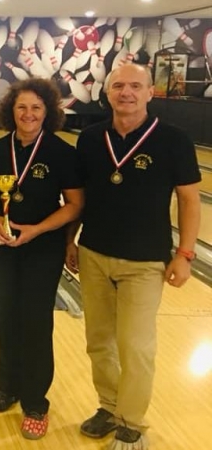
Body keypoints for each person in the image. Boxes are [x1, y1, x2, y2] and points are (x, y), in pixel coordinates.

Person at [67, 64, 200, 449]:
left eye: (135, 86)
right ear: (108, 92)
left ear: (149, 92)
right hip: (94, 253)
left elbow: (189, 200)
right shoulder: (90, 138)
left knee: (135, 346)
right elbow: (79, 197)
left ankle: (131, 423)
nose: (126, 92)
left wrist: (185, 254)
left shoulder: (174, 139)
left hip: (145, 261)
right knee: (98, 341)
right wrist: (70, 241)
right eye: (119, 86)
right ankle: (109, 407)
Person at [0, 78, 84, 439]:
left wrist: (37, 229)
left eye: (36, 107)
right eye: (21, 107)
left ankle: (36, 402)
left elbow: (75, 205)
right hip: (1, 244)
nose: (28, 114)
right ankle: (7, 387)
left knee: (36, 322)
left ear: (48, 112)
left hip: (43, 247)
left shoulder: (61, 152)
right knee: (6, 316)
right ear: (11, 110)